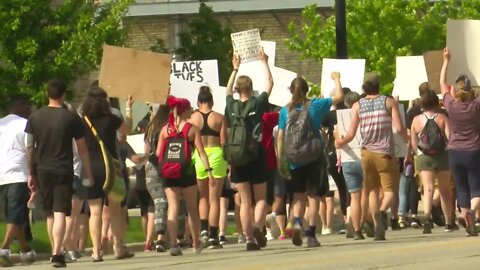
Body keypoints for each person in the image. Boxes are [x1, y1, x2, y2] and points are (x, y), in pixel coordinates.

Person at [25, 79, 95, 268]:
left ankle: (54, 252)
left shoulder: (35, 118)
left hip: (42, 170)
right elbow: (82, 148)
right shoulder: (71, 118)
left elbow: (29, 147)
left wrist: (30, 172)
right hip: (63, 169)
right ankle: (58, 253)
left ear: (47, 94)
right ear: (63, 95)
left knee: (49, 214)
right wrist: (88, 172)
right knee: (60, 213)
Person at [336, 73, 409, 241]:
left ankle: (378, 228)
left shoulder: (357, 105)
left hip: (366, 153)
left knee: (372, 191)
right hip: (384, 153)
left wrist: (341, 142)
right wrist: (408, 139)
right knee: (390, 191)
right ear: (379, 85)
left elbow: (351, 133)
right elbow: (398, 128)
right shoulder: (389, 102)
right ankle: (382, 213)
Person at [277, 73, 344, 247]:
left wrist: (281, 157)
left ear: (291, 91)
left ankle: (296, 225)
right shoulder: (315, 105)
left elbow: (281, 136)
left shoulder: (284, 110)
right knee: (314, 196)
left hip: (293, 158)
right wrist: (336, 79)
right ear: (307, 90)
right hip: (313, 156)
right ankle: (312, 235)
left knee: (298, 197)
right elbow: (339, 97)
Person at [225, 48, 273, 251]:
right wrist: (264, 62)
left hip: (236, 156)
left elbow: (226, 92)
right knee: (261, 198)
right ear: (251, 88)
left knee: (244, 201)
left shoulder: (231, 106)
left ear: (237, 89)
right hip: (256, 154)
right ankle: (256, 226)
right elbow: (270, 85)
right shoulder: (258, 103)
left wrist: (234, 68)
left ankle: (249, 239)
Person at [80, 86, 135, 261]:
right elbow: (128, 129)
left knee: (95, 211)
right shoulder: (111, 119)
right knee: (115, 210)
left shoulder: (83, 120)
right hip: (111, 168)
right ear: (105, 101)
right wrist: (128, 109)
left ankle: (96, 251)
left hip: (91, 167)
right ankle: (118, 247)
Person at [156, 96, 214, 256]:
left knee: (173, 207)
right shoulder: (192, 129)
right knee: (191, 208)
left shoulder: (164, 130)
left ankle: (174, 244)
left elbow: (158, 153)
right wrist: (209, 172)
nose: (191, 111)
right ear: (185, 110)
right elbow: (201, 152)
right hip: (187, 171)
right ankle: (195, 242)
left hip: (169, 173)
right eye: (189, 108)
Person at [440, 48, 480, 236]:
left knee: (462, 187)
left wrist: (446, 61)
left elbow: (441, 84)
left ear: (454, 90)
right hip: (474, 150)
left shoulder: (451, 104)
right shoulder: (476, 105)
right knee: (476, 187)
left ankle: (467, 218)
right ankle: (472, 213)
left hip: (454, 151)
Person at [410, 89, 454, 233]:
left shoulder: (416, 120)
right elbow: (450, 138)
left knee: (428, 188)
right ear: (436, 102)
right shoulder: (442, 118)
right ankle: (449, 222)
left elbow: (414, 141)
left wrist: (419, 152)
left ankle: (427, 218)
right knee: (444, 190)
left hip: (424, 157)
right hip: (442, 156)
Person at [189, 86, 227, 248]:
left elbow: (188, 139)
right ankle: (213, 236)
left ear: (198, 102)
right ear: (211, 102)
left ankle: (203, 230)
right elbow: (224, 141)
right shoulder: (220, 118)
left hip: (198, 156)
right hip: (217, 155)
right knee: (215, 198)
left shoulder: (191, 119)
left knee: (202, 197)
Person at [0, 94, 36, 267]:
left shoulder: (1, 124)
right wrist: (33, 173)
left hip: (2, 176)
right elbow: (30, 150)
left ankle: (25, 250)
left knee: (15, 213)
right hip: (19, 174)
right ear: (22, 107)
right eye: (28, 108)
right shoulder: (25, 125)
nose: (30, 112)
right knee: (16, 213)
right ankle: (4, 249)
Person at [335, 91, 365, 240]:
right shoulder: (365, 115)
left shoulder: (341, 118)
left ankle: (355, 225)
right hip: (364, 156)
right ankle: (364, 222)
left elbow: (336, 141)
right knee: (365, 193)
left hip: (348, 159)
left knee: (354, 196)